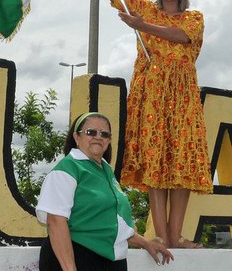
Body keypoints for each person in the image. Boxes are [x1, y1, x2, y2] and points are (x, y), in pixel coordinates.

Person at [84, 0, 212, 249]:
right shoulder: (145, 8)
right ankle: (162, 235)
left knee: (181, 162)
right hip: (153, 95)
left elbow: (181, 37)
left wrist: (142, 26)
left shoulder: (193, 17)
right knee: (156, 163)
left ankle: (176, 235)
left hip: (182, 97)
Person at [36, 112, 173, 270]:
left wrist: (146, 243)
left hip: (109, 262)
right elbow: (55, 222)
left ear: (109, 141)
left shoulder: (106, 171)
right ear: (76, 137)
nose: (98, 137)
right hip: (77, 258)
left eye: (104, 134)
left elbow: (113, 225)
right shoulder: (67, 169)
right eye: (91, 132)